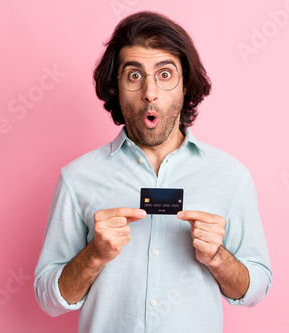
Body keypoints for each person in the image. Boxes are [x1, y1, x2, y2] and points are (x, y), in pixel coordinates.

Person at [34, 11, 272, 333]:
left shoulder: (230, 176)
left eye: (164, 74)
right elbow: (47, 299)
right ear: (116, 86)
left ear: (185, 84)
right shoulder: (77, 178)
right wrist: (94, 255)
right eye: (134, 75)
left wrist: (218, 257)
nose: (150, 91)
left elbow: (255, 287)